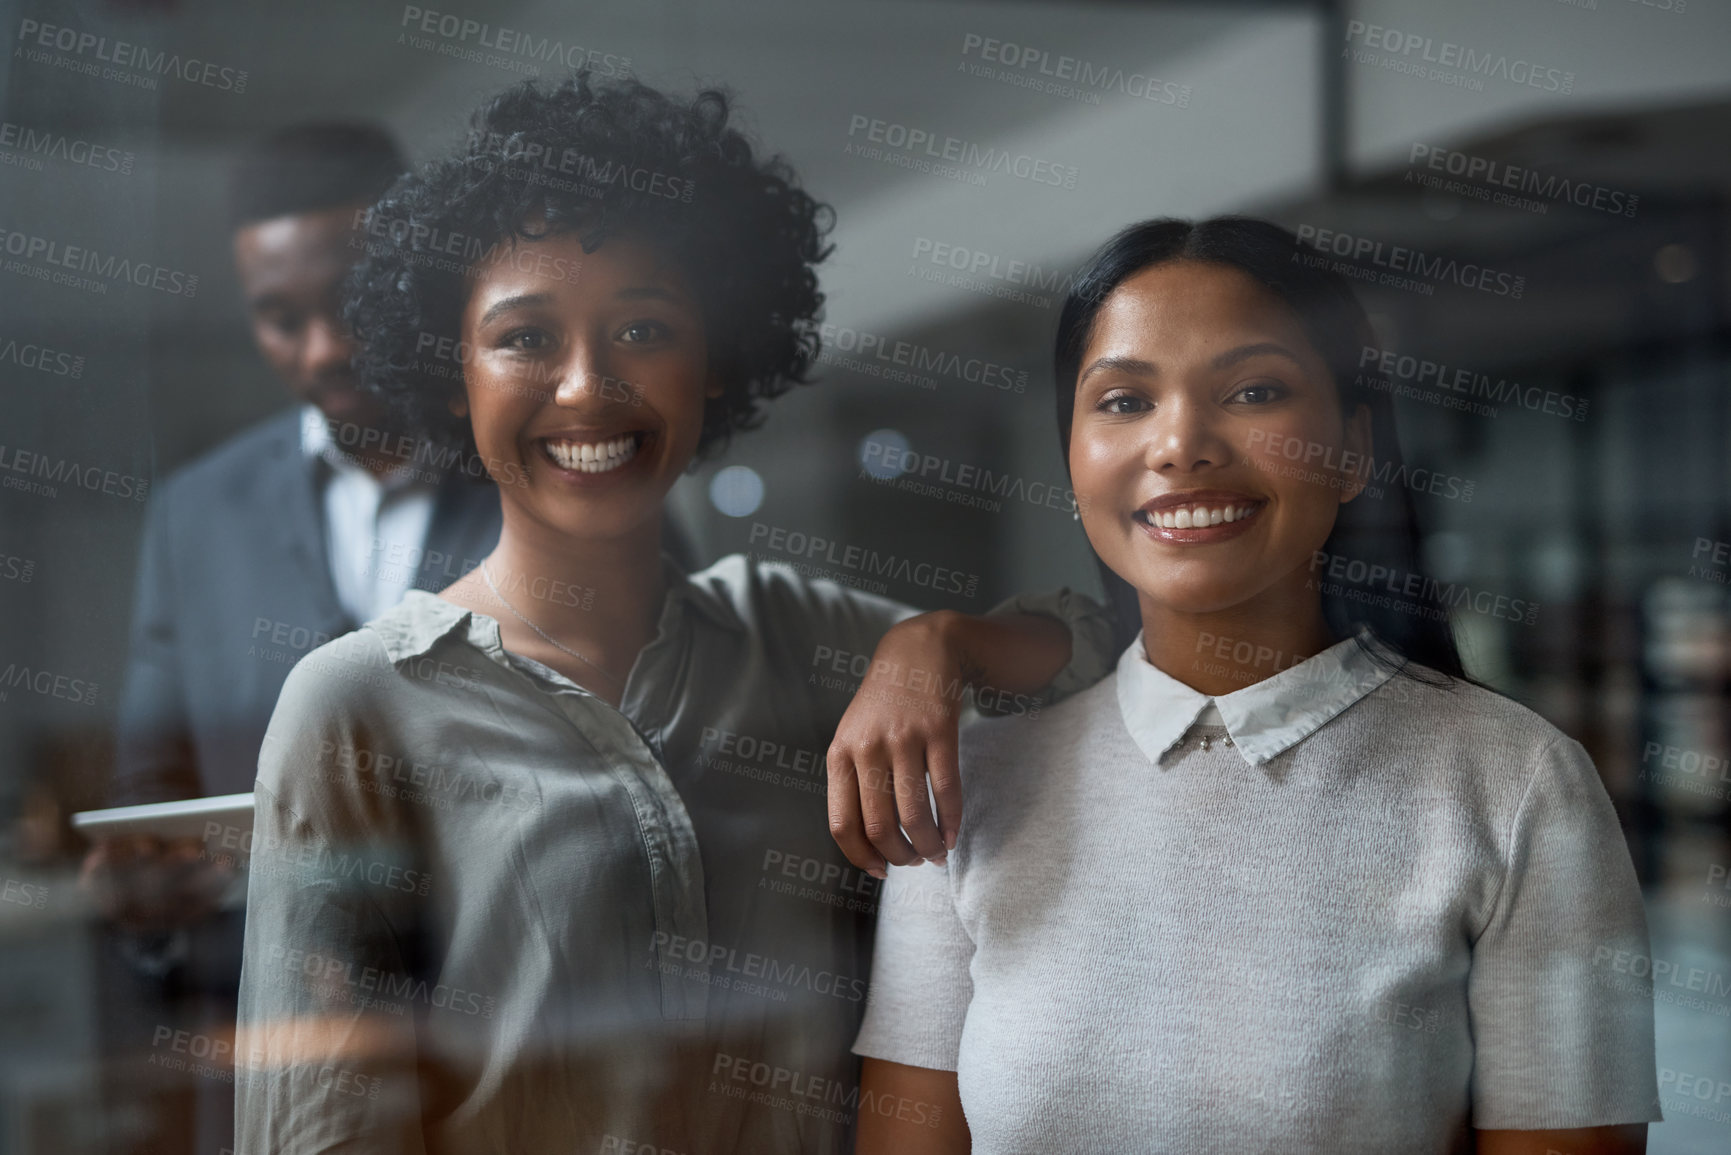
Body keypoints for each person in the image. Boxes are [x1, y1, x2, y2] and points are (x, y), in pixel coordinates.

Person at [233, 73, 1111, 1155]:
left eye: (643, 327)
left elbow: (1097, 656)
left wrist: (935, 645)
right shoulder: (358, 708)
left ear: (714, 362)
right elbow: (318, 1126)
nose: (587, 386)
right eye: (524, 338)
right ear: (451, 373)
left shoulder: (791, 632)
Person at [851, 217, 1660, 1155]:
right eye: (1122, 401)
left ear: (1354, 448)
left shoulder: (1513, 784)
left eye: (1252, 391)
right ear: (1071, 460)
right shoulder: (964, 793)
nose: (1180, 442)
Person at [79, 123, 504, 1155]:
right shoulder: (196, 514)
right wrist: (143, 892)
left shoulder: (546, 462)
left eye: (353, 303)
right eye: (279, 318)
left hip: (522, 1059)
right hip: (287, 1070)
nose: (321, 350)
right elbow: (153, 785)